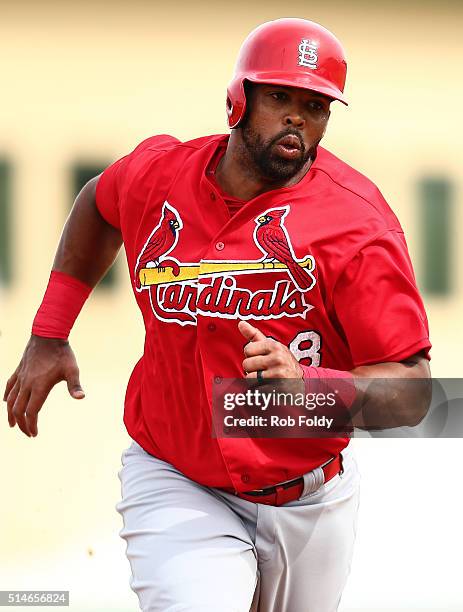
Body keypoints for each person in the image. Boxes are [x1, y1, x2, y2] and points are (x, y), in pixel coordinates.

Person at [3, 17, 431, 612]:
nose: (297, 119)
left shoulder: (359, 226)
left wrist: (311, 388)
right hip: (176, 476)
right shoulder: (159, 176)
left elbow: (412, 394)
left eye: (315, 104)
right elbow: (98, 205)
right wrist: (50, 332)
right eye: (280, 96)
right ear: (239, 98)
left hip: (309, 498)